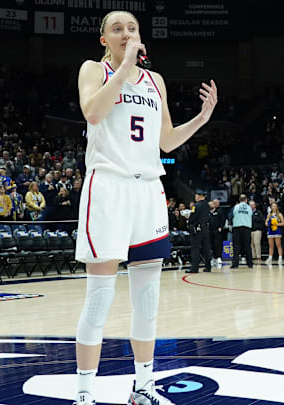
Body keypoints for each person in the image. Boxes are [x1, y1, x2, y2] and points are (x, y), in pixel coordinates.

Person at [73, 10, 218, 405]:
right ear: (104, 40)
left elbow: (167, 141)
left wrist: (201, 119)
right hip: (108, 189)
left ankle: (143, 388)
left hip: (148, 192)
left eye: (132, 28)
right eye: (117, 29)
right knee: (100, 296)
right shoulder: (94, 70)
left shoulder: (156, 81)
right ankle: (85, 394)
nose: (126, 33)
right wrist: (124, 68)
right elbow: (94, 113)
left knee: (148, 300)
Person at [188, 189, 212, 273]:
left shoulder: (196, 206)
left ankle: (194, 268)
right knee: (206, 248)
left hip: (197, 229)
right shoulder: (207, 205)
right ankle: (208, 266)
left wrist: (189, 219)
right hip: (206, 228)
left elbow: (192, 218)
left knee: (195, 248)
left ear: (198, 196)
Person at [230, 194, 253, 268]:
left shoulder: (236, 207)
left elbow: (230, 216)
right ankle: (250, 263)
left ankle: (235, 264)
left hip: (237, 227)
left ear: (239, 200)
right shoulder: (249, 208)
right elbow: (251, 216)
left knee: (236, 246)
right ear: (246, 200)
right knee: (247, 246)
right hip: (246, 228)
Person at [208, 199, 225, 268]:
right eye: (210, 204)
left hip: (217, 231)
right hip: (210, 231)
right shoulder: (208, 213)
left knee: (218, 244)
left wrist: (221, 227)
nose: (211, 205)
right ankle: (212, 258)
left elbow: (223, 220)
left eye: (212, 204)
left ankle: (218, 257)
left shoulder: (219, 211)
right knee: (211, 245)